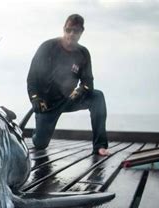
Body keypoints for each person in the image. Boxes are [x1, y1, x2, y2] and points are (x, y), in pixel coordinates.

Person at [26, 14, 110, 156]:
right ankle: (37, 132)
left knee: (97, 97)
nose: (71, 34)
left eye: (75, 31)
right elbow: (32, 79)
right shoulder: (47, 47)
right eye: (68, 30)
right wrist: (35, 98)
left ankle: (100, 145)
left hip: (69, 99)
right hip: (47, 104)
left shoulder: (83, 53)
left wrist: (81, 90)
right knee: (40, 144)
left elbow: (88, 82)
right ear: (64, 29)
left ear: (81, 32)